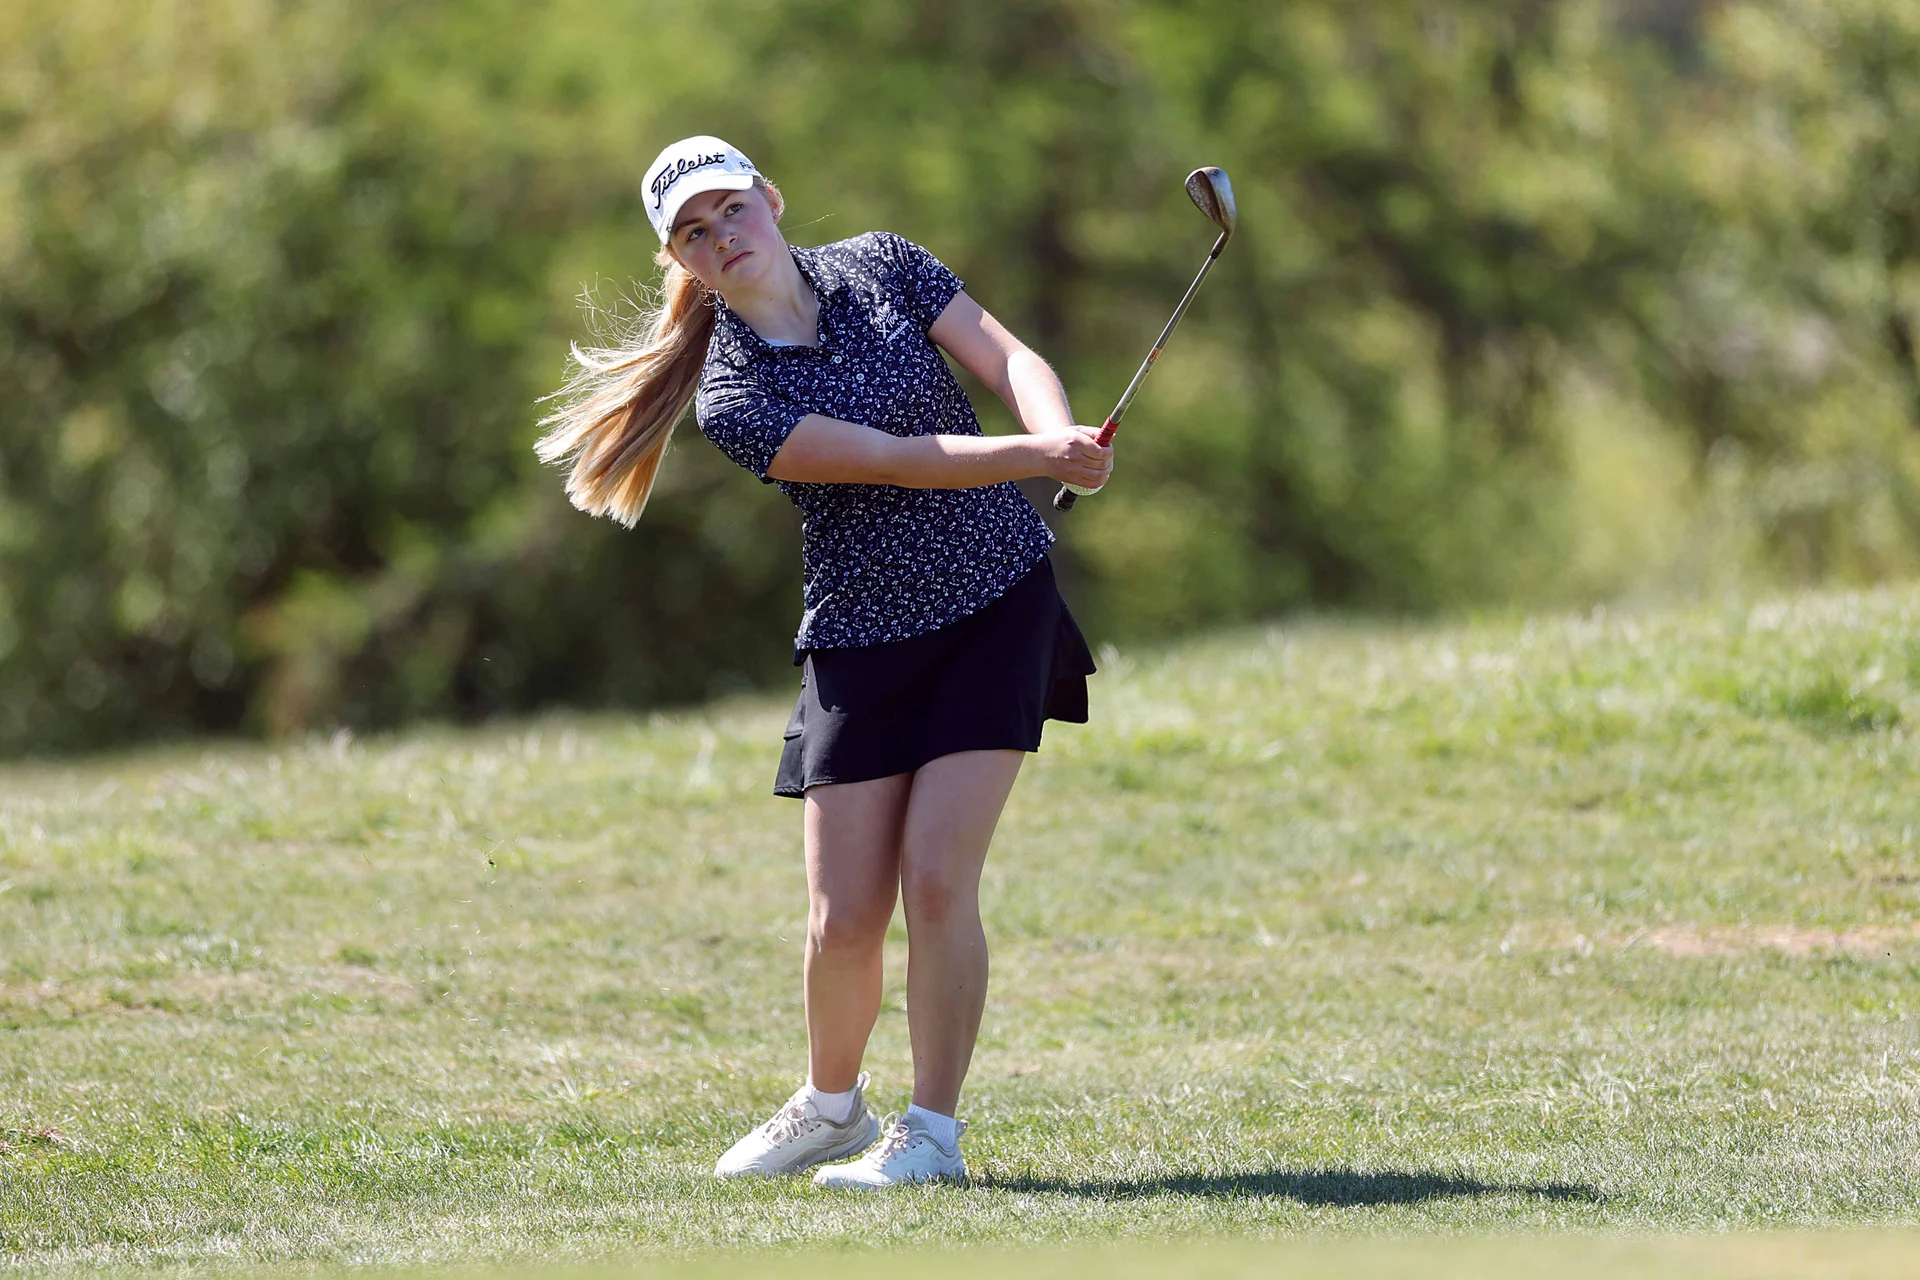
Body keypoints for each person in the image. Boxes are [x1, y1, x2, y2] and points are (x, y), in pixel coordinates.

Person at [534, 136, 1111, 1189]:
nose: (722, 238)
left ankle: (931, 1134)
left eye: (730, 211)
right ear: (684, 262)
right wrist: (1036, 457)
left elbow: (1010, 357)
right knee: (842, 916)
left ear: (771, 198)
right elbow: (896, 463)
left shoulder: (886, 263)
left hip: (996, 601)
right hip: (860, 635)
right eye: (694, 234)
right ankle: (834, 1106)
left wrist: (1056, 428)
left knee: (938, 880)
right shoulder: (731, 395)